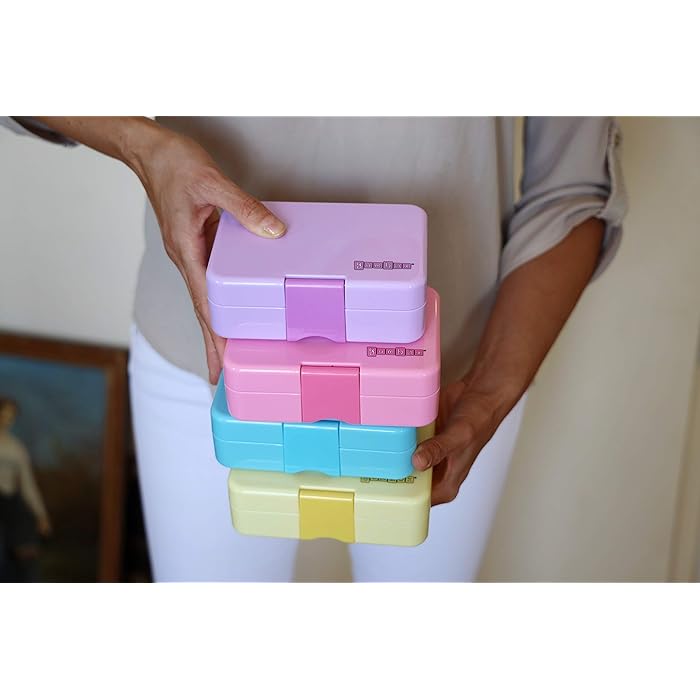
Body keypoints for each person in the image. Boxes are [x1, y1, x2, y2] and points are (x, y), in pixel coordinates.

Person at [1, 116, 626, 581]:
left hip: (450, 391)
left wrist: (489, 393)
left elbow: (573, 185)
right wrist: (145, 147)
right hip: (209, 365)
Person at [0, 397, 52, 582]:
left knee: (23, 555)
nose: (6, 420)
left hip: (9, 503)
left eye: (10, 416)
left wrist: (41, 515)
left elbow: (28, 484)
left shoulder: (17, 448)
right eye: (3, 414)